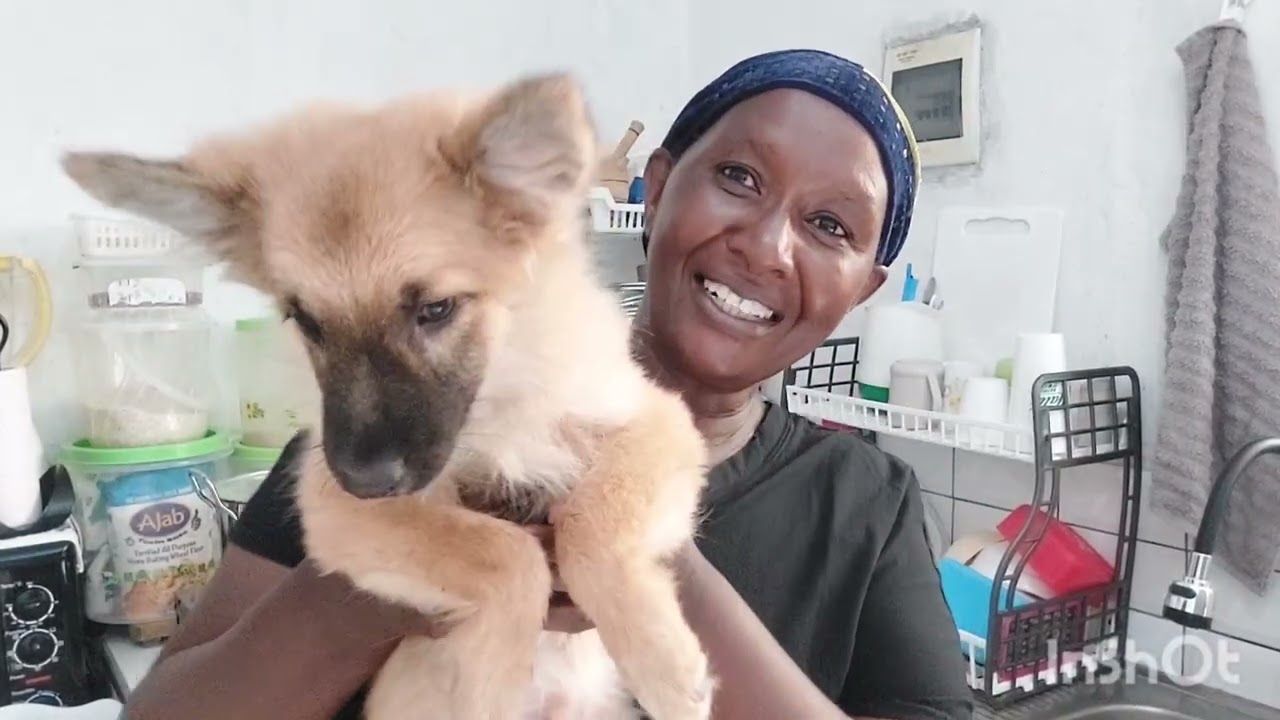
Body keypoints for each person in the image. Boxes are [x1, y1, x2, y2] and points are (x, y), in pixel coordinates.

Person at [123, 49, 973, 720]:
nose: (766, 245)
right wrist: (379, 588)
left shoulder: (868, 502)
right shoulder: (384, 427)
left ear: (864, 287)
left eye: (831, 225)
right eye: (739, 178)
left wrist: (644, 556)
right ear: (660, 184)